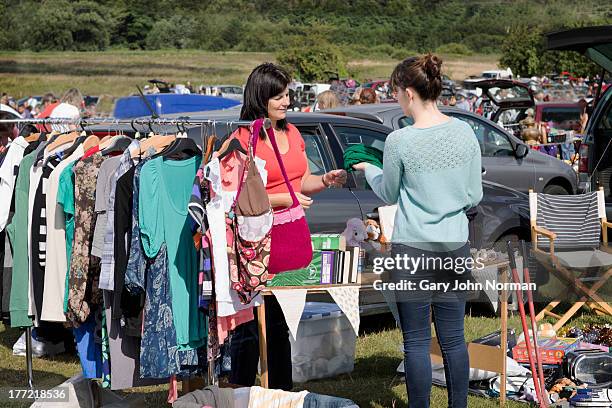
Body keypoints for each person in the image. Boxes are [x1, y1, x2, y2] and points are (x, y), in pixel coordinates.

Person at [352, 54, 482, 408]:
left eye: (395, 91)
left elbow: (389, 193)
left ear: (408, 92)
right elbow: (475, 194)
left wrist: (368, 169)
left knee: (416, 341)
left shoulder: (400, 141)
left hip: (414, 252)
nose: (395, 98)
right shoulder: (465, 131)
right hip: (454, 246)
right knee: (454, 340)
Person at [229, 63, 347, 391]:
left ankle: (281, 392)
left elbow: (303, 181)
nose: (286, 102)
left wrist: (323, 180)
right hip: (258, 244)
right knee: (251, 326)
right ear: (260, 97)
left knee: (281, 323)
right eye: (278, 97)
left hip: (290, 241)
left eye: (287, 95)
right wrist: (286, 198)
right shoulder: (244, 138)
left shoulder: (292, 133)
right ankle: (241, 391)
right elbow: (241, 197)